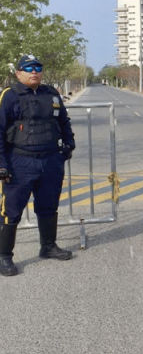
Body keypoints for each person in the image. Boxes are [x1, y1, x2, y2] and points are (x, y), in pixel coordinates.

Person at [0, 54, 76, 276]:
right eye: (28, 68)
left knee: (48, 206)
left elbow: (63, 120)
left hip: (51, 160)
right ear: (18, 73)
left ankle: (48, 246)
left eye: (37, 67)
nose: (34, 71)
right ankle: (5, 256)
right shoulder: (9, 96)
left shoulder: (51, 94)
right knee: (11, 211)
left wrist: (68, 144)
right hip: (19, 162)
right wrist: (2, 164)